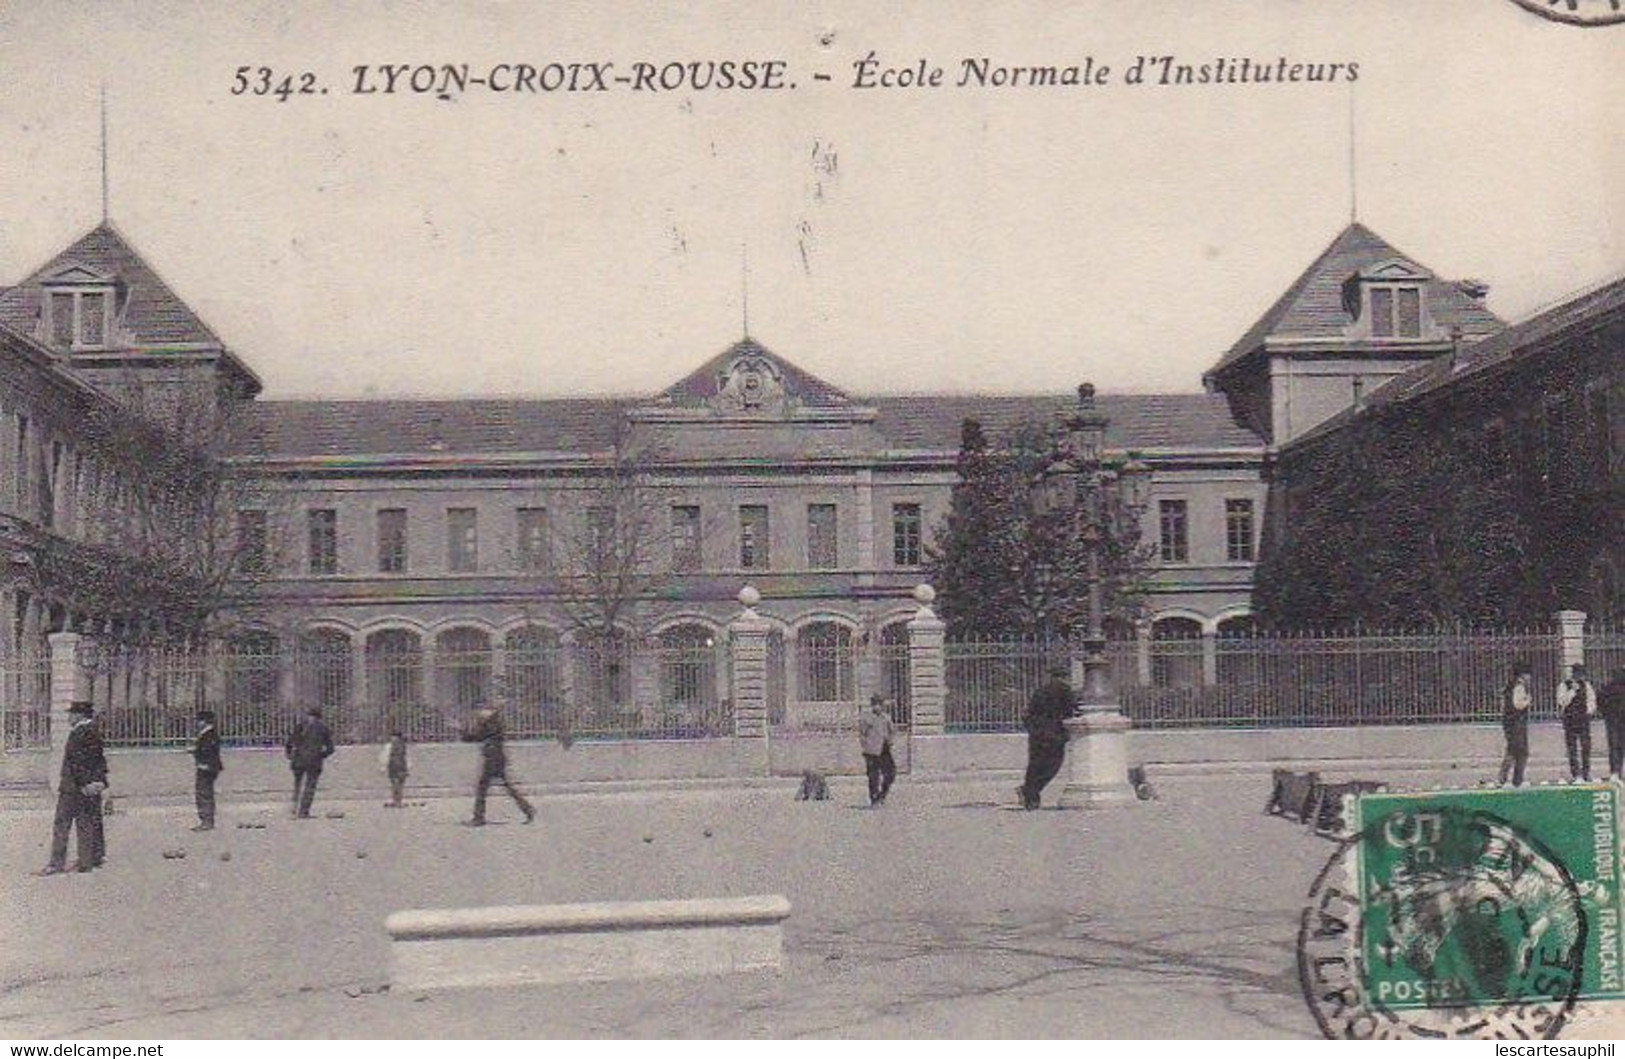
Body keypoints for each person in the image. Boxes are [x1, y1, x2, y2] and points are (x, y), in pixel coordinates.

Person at [40, 701, 108, 875]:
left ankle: (56, 863)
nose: (69, 717)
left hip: (73, 787)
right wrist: (99, 781)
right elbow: (99, 760)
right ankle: (87, 862)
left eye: (71, 714)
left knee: (62, 824)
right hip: (88, 786)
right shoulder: (94, 731)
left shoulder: (79, 733)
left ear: (80, 715)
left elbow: (77, 762)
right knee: (86, 823)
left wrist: (84, 783)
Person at [462, 707, 534, 826]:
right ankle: (527, 809)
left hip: (493, 759)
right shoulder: (493, 727)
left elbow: (475, 736)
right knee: (506, 787)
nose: (479, 718)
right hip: (496, 758)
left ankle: (478, 817)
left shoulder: (491, 727)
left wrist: (466, 731)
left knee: (482, 788)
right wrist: (465, 732)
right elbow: (473, 737)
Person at [1019, 664, 1076, 810]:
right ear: (1064, 677)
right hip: (1055, 734)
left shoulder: (1040, 691)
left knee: (1035, 765)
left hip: (1038, 734)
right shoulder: (1065, 691)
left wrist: (1032, 729)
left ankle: (1030, 796)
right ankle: (1029, 791)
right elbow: (1070, 712)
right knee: (1053, 766)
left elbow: (1028, 713)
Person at [284, 707, 335, 818]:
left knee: (297, 784)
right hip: (314, 761)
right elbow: (330, 748)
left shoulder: (300, 726)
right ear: (319, 717)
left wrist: (289, 755)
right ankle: (304, 811)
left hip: (298, 759)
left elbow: (289, 742)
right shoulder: (323, 728)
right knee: (310, 786)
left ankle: (294, 807)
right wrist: (321, 755)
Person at [1558, 663, 1599, 781]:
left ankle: (1586, 772)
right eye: (1578, 674)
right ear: (1573, 674)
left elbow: (1592, 699)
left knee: (1586, 746)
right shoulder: (1564, 685)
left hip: (1583, 718)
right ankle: (1575, 773)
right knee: (1572, 747)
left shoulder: (1586, 685)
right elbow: (1562, 702)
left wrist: (1589, 710)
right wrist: (1572, 691)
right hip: (1570, 719)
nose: (1580, 676)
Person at [1499, 662, 1533, 787]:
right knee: (1521, 751)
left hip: (1509, 722)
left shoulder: (1510, 686)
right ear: (1522, 675)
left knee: (1512, 750)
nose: (1530, 678)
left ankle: (1504, 778)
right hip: (1517, 722)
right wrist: (1528, 700)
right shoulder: (1519, 687)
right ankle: (1515, 780)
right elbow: (1518, 705)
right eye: (1528, 675)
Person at [858, 695, 897, 807]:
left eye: (879, 704)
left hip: (884, 750)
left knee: (891, 774)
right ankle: (874, 799)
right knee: (873, 776)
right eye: (875, 704)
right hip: (871, 751)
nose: (877, 707)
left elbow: (892, 731)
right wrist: (866, 746)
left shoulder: (886, 718)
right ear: (872, 706)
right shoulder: (867, 718)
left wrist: (890, 741)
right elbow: (862, 734)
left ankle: (882, 794)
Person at [190, 709, 223, 831]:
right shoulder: (207, 734)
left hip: (207, 767)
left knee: (203, 793)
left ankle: (206, 821)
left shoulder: (209, 734)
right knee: (204, 792)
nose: (197, 723)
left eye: (199, 720)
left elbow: (210, 751)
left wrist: (204, 763)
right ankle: (206, 820)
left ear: (204, 721)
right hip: (206, 766)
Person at [1602, 668, 1625, 781]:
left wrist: (1606, 714)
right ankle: (1616, 772)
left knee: (1614, 747)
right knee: (1618, 747)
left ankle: (1615, 772)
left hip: (1612, 721)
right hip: (1616, 721)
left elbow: (1601, 701)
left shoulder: (1608, 687)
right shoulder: (1609, 688)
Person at [381, 729, 409, 808]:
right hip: (393, 766)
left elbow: (406, 757)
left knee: (399, 785)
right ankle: (396, 800)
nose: (393, 739)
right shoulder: (390, 746)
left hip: (400, 766)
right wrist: (383, 766)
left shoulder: (402, 746)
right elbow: (385, 756)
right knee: (395, 785)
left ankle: (398, 801)